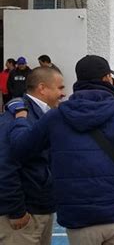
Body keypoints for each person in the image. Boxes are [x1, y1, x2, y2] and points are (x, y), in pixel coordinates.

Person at [7, 55, 114, 245]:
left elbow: (20, 148)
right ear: (108, 79)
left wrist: (20, 117)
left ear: (78, 81)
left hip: (80, 220)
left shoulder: (56, 117)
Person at [0, 67, 65, 245]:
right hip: (24, 215)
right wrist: (16, 211)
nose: (63, 93)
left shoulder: (43, 115)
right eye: (60, 88)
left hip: (41, 207)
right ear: (42, 88)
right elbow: (4, 166)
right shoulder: (16, 117)